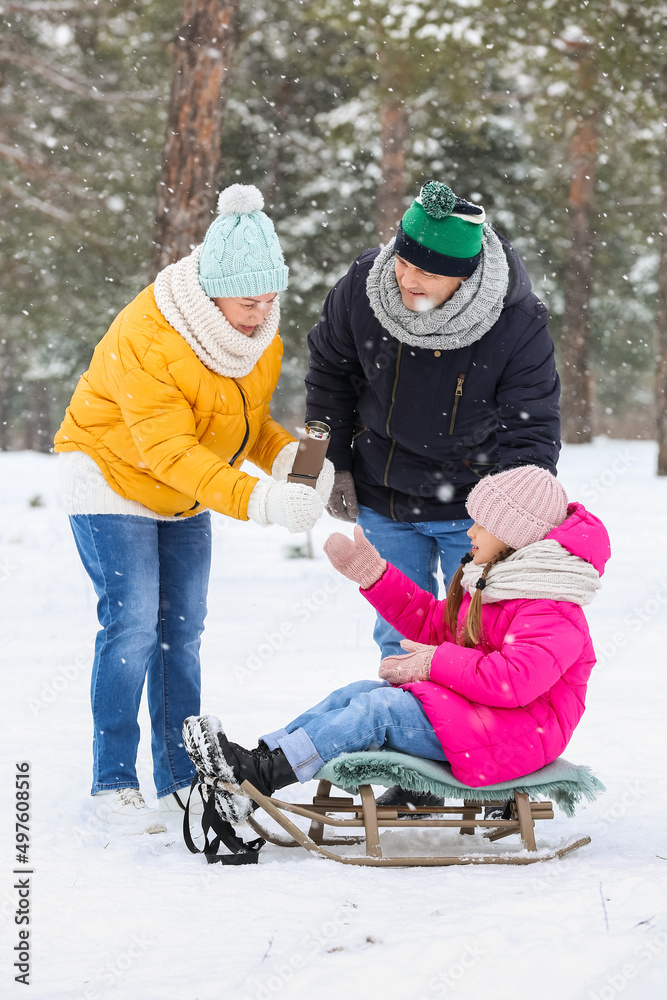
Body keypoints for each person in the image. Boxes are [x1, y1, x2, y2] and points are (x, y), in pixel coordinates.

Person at [54, 184, 332, 834]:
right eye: (247, 300)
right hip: (111, 476)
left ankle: (179, 780)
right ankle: (113, 784)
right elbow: (171, 450)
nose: (260, 313)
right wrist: (261, 501)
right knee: (132, 627)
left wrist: (293, 462)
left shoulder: (257, 336)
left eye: (270, 299)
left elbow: (247, 424)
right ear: (211, 290)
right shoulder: (150, 335)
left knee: (182, 631)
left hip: (184, 490)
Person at [181, 465, 610, 829]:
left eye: (482, 523)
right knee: (359, 694)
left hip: (517, 734)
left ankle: (259, 778)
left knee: (379, 711)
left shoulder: (552, 607)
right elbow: (432, 622)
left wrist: (434, 663)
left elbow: (512, 682)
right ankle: (257, 761)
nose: (470, 530)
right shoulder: (501, 585)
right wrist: (375, 576)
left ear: (514, 536)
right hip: (486, 719)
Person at [305, 179, 561, 660]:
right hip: (383, 496)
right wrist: (324, 463)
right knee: (399, 642)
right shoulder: (363, 287)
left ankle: (460, 736)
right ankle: (390, 734)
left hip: (473, 512)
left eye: (426, 271)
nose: (407, 279)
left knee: (474, 641)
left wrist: (516, 518)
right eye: (402, 261)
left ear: (463, 275)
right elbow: (326, 375)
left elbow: (532, 426)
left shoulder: (518, 322)